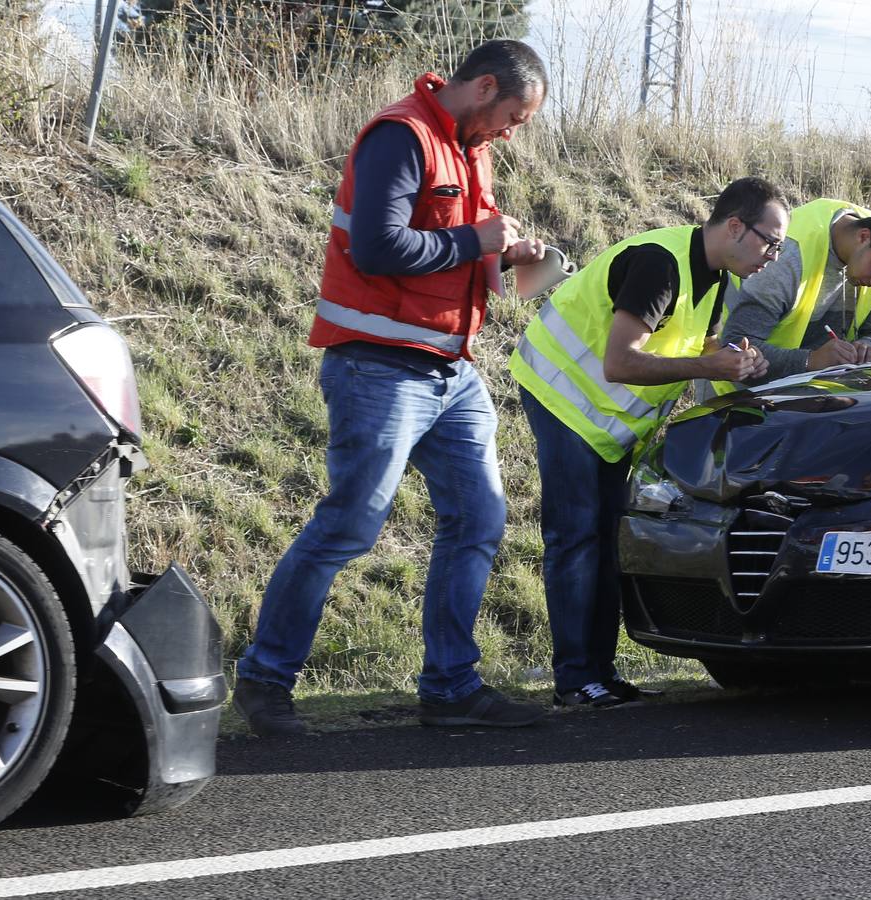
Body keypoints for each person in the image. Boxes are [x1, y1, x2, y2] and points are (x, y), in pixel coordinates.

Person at [233, 40, 551, 736]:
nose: (511, 131)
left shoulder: (470, 147)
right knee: (350, 523)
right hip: (378, 366)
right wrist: (478, 239)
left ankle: (450, 688)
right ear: (485, 87)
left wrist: (505, 253)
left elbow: (460, 248)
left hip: (452, 372)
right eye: (513, 117)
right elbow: (378, 249)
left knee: (479, 518)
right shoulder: (399, 136)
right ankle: (263, 682)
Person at [508, 176, 790, 709]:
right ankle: (574, 679)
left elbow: (685, 340)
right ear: (734, 227)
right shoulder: (661, 264)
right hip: (562, 396)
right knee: (576, 539)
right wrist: (709, 363)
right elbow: (620, 362)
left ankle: (601, 674)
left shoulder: (714, 275)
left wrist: (731, 358)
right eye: (770, 242)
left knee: (606, 540)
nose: (774, 256)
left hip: (606, 423)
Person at [719, 200, 871, 388]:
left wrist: (870, 346)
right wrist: (811, 361)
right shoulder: (786, 258)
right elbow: (735, 346)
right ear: (863, 237)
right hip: (735, 399)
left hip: (805, 397)